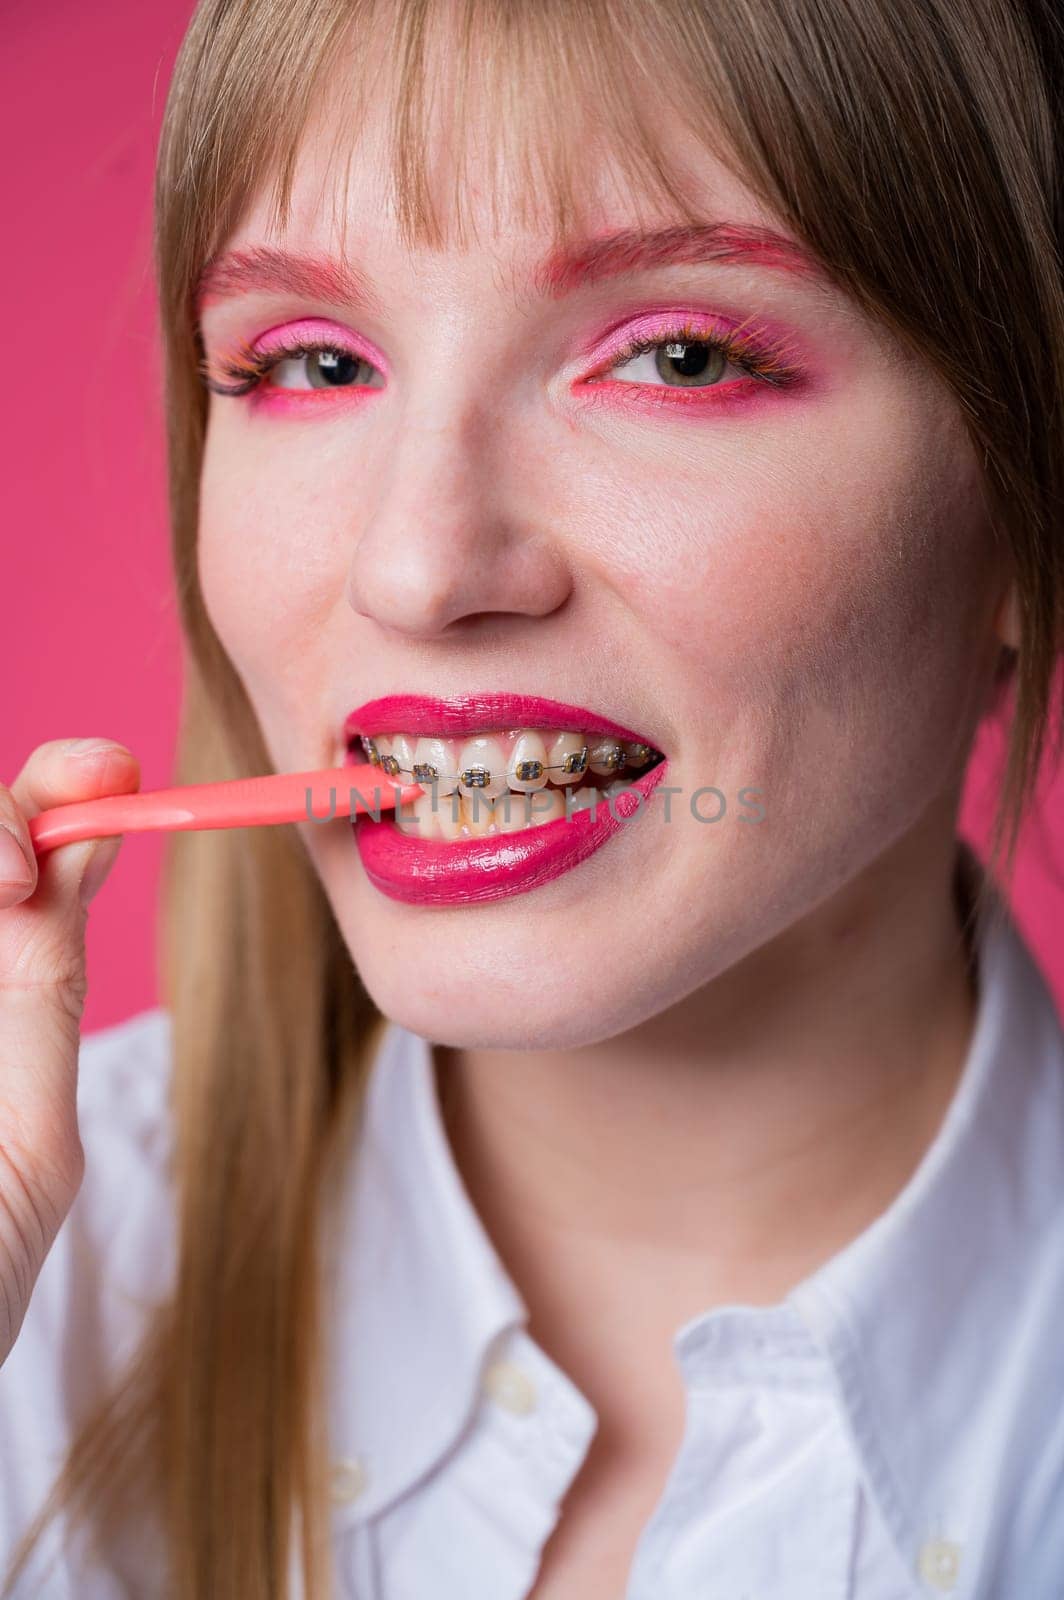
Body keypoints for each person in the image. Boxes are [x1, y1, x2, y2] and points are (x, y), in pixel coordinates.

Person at [0, 0, 1062, 1594]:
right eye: (309, 361)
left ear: (1021, 503)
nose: (420, 568)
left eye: (681, 357)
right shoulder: (44, 1292)